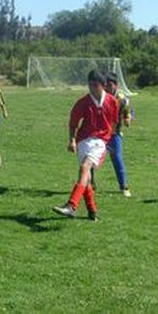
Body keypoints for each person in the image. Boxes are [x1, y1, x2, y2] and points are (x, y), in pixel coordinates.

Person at [53, 70, 119, 221]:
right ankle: (92, 212)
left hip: (100, 142)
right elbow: (73, 123)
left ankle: (71, 206)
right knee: (86, 178)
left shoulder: (112, 102)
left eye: (95, 85)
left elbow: (114, 123)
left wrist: (108, 140)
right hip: (83, 141)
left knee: (84, 168)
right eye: (89, 85)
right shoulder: (82, 102)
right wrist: (72, 140)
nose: (91, 88)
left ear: (103, 86)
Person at [104, 72, 133, 196]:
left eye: (109, 85)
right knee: (92, 158)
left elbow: (129, 112)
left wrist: (128, 119)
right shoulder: (101, 96)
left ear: (115, 85)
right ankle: (91, 184)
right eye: (105, 85)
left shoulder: (123, 99)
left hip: (115, 133)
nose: (107, 88)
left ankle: (124, 187)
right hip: (100, 133)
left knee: (117, 157)